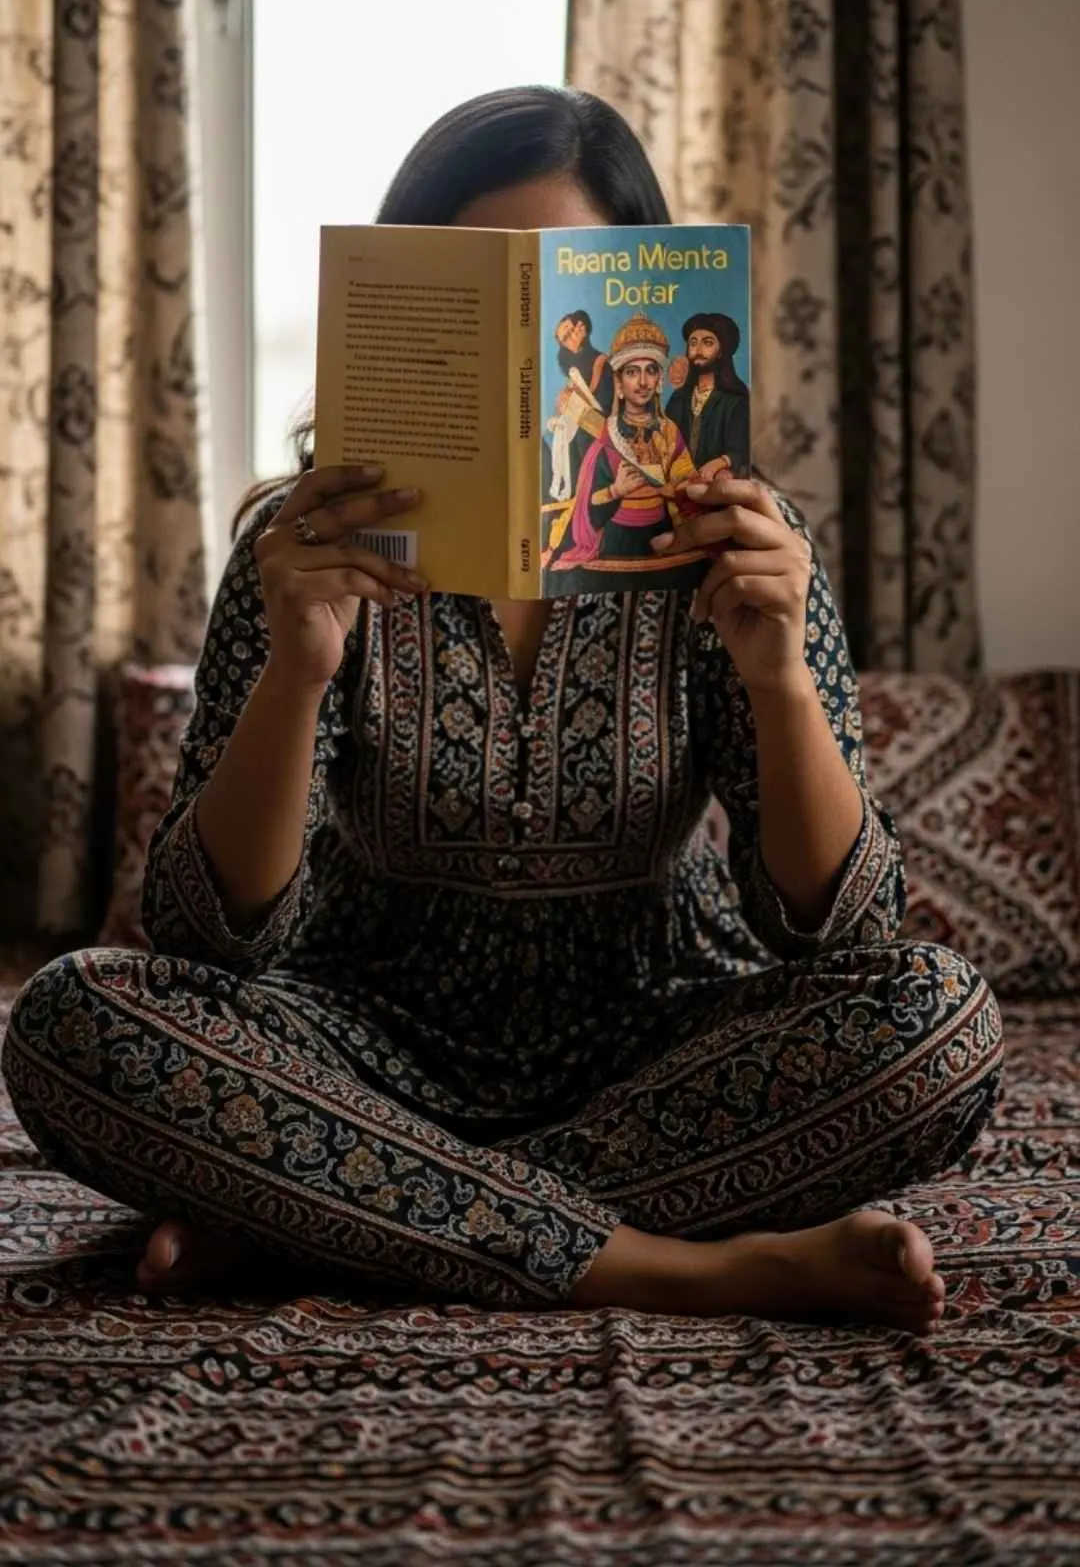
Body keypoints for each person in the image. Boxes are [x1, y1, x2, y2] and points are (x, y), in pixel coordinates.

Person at [1, 85, 1003, 1331]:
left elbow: (839, 930)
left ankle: (315, 1212)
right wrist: (300, 670)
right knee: (69, 1018)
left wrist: (780, 676)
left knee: (938, 1023)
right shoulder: (304, 542)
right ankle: (692, 1266)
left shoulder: (738, 544)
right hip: (361, 1039)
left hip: (654, 1041)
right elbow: (213, 937)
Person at [544, 313, 698, 586]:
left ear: (659, 379)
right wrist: (617, 490)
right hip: (617, 538)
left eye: (650, 371)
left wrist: (677, 488)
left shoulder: (669, 431)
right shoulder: (606, 436)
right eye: (631, 372)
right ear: (619, 384)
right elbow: (588, 506)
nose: (642, 382)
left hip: (662, 534)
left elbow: (686, 479)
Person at [665, 312, 750, 475]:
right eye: (693, 343)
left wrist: (721, 462)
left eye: (708, 343)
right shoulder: (679, 399)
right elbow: (666, 442)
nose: (698, 349)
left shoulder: (735, 400)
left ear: (720, 351)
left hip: (717, 480)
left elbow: (740, 448)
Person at [543, 309, 613, 505]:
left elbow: (604, 403)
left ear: (580, 327)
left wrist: (575, 402)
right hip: (581, 424)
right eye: (564, 338)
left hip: (601, 426)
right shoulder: (572, 368)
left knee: (581, 439)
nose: (569, 338)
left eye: (570, 330)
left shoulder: (600, 362)